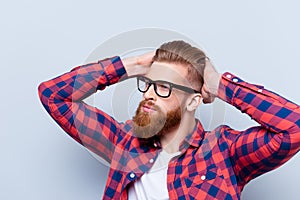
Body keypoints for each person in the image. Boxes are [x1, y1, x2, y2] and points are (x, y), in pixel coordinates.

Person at [38, 40, 300, 200]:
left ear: (194, 100)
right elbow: (53, 96)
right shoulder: (123, 143)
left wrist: (219, 85)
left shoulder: (224, 152)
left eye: (163, 86)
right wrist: (133, 65)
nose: (150, 94)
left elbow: (293, 127)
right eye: (148, 84)